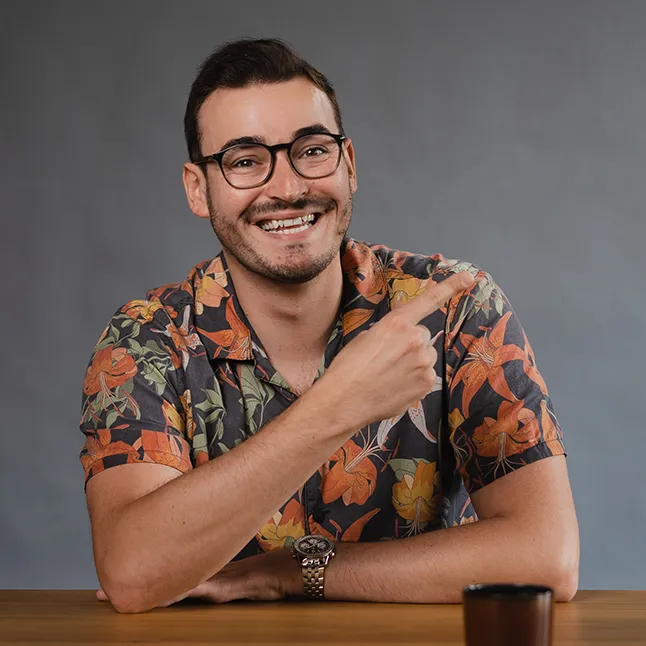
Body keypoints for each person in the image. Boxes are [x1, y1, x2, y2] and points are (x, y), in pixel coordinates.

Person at [79, 38, 579, 614]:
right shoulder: (147, 340)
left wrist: (290, 571)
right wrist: (337, 406)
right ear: (198, 188)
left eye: (312, 151)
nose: (289, 188)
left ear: (349, 165)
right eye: (245, 161)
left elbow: (547, 556)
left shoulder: (453, 308)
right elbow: (133, 575)